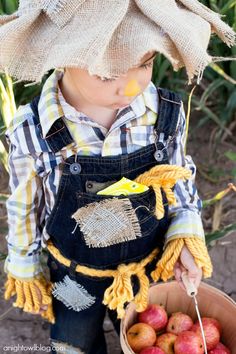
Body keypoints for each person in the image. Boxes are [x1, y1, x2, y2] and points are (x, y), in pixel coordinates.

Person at [0, 1, 235, 353]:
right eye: (108, 74)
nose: (130, 88)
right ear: (63, 56)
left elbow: (176, 178)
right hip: (74, 275)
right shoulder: (35, 129)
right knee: (73, 342)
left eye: (144, 64)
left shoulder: (162, 115)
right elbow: (25, 203)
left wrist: (184, 234)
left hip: (145, 268)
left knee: (138, 335)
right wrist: (24, 261)